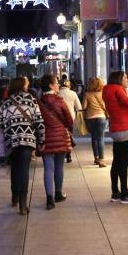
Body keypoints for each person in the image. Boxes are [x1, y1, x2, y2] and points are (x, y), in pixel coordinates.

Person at [0, 77, 44, 215]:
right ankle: (23, 204)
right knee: (24, 170)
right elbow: (39, 122)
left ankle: (15, 196)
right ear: (22, 85)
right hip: (27, 141)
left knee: (15, 168)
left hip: (11, 141)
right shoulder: (31, 100)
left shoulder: (6, 102)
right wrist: (42, 141)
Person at [102, 70, 128, 204]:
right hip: (125, 129)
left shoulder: (107, 90)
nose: (127, 79)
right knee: (124, 163)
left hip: (115, 129)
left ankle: (115, 192)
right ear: (119, 79)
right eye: (125, 77)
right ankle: (125, 194)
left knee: (117, 162)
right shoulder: (118, 89)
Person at [38, 75, 73, 210]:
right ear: (51, 86)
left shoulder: (39, 102)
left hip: (46, 138)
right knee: (59, 167)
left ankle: (49, 199)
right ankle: (58, 193)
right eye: (56, 83)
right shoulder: (59, 101)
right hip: (60, 137)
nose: (58, 85)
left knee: (48, 168)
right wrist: (67, 129)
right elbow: (69, 120)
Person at [82, 77, 107, 168]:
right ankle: (101, 160)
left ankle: (96, 158)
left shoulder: (87, 94)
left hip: (90, 118)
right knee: (100, 138)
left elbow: (83, 107)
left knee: (94, 138)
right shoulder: (103, 94)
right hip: (101, 117)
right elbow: (105, 105)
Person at [58, 78, 82, 163]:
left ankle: (62, 153)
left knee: (61, 136)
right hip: (71, 117)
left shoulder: (57, 93)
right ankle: (68, 155)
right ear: (69, 85)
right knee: (69, 135)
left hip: (59, 118)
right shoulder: (73, 93)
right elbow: (79, 107)